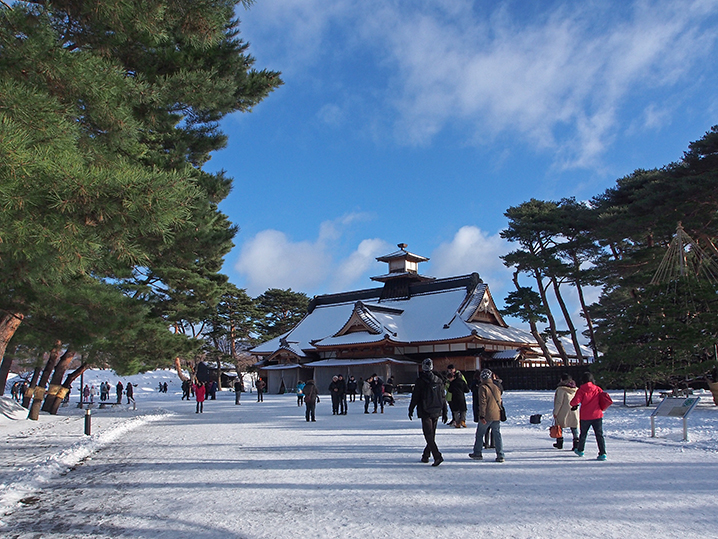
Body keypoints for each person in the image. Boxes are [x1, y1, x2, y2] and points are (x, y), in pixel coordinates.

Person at [408, 358, 448, 466]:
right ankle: (426, 455)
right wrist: (445, 410)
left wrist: (411, 408)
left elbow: (415, 396)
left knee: (428, 435)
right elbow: (442, 396)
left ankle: (437, 455)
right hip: (437, 408)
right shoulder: (439, 380)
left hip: (425, 409)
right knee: (431, 434)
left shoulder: (420, 381)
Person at [469, 369, 505, 462]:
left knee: (480, 434)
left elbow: (483, 403)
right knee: (497, 435)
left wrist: (482, 416)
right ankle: (500, 455)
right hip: (496, 414)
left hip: (487, 415)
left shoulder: (483, 387)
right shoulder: (496, 386)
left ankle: (477, 453)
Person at [570, 372, 607, 460]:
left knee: (583, 434)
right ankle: (602, 453)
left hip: (585, 415)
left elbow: (574, 402)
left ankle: (580, 450)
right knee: (599, 435)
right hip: (597, 414)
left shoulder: (581, 390)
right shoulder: (597, 389)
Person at [553, 373, 580, 450]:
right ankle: (576, 442)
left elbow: (559, 402)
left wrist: (555, 412)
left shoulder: (561, 389)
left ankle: (559, 442)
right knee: (574, 426)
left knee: (559, 426)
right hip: (574, 410)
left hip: (563, 410)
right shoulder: (576, 389)